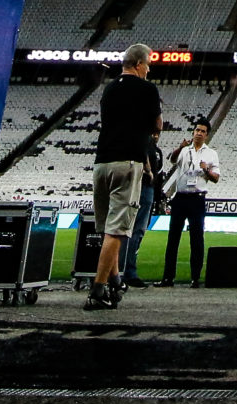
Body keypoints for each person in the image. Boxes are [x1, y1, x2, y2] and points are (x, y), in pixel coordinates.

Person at [87, 43, 161, 309]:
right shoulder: (147, 89)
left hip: (101, 163)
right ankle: (97, 290)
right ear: (139, 64)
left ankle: (115, 280)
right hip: (127, 163)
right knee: (117, 230)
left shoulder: (109, 88)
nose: (149, 69)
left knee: (108, 228)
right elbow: (157, 124)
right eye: (148, 65)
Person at [160, 117, 222, 286]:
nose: (199, 133)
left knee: (196, 239)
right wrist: (180, 147)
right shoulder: (185, 150)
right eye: (197, 130)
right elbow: (172, 160)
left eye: (202, 131)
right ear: (193, 132)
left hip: (197, 198)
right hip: (180, 197)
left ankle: (195, 277)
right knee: (173, 238)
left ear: (206, 135)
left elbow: (216, 178)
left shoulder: (211, 154)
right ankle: (168, 277)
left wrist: (206, 170)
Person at [122, 132, 163, 287]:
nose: (156, 135)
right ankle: (129, 271)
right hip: (143, 187)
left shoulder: (154, 148)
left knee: (132, 230)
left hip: (143, 188)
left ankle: (122, 269)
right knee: (136, 230)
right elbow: (141, 153)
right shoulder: (145, 142)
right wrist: (148, 169)